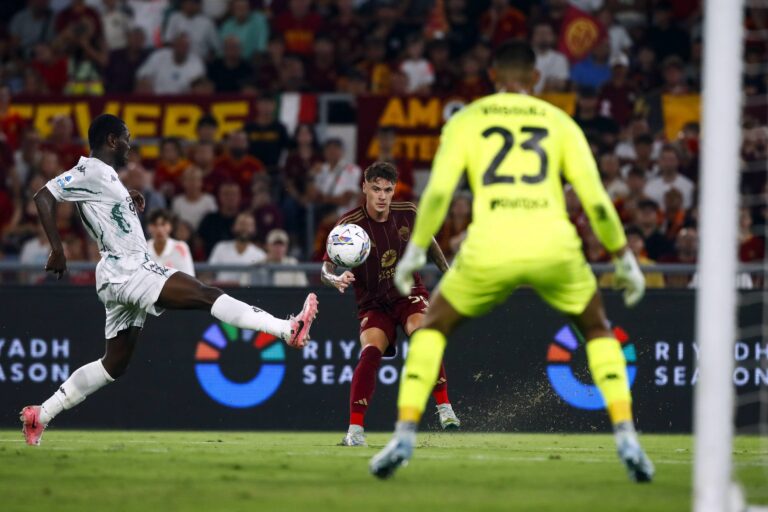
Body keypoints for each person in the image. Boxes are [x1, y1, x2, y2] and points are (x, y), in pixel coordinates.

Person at [370, 41, 653, 483]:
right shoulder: (559, 122)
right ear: (535, 78)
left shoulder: (466, 121)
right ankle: (626, 435)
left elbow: (440, 195)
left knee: (435, 327)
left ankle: (403, 435)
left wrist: (412, 252)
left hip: (491, 245)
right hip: (554, 245)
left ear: (493, 78)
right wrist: (624, 257)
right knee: (596, 328)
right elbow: (596, 199)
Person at [20, 114, 318, 446]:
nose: (131, 145)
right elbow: (43, 197)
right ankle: (286, 329)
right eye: (127, 138)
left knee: (114, 365)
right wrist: (57, 249)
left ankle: (41, 414)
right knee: (206, 294)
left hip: (116, 274)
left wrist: (124, 199)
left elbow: (98, 205)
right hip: (129, 268)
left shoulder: (105, 177)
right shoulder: (88, 170)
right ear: (111, 141)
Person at [321, 162, 460, 447]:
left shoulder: (407, 212)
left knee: (423, 336)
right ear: (364, 188)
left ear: (394, 190)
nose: (382, 196)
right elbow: (324, 269)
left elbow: (429, 243)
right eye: (376, 189)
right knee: (370, 353)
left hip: (407, 292)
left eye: (387, 189)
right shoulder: (347, 227)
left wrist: (448, 273)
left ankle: (444, 408)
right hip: (372, 303)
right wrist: (333, 280)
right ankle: (355, 431)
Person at [208, 211, 266, 286]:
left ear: (254, 229)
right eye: (241, 224)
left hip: (248, 294)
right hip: (222, 292)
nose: (244, 228)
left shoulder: (260, 255)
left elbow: (261, 282)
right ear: (233, 227)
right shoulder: (220, 247)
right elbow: (208, 273)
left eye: (248, 225)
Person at [147, 209, 195, 277]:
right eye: (155, 225)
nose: (159, 229)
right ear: (148, 227)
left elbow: (189, 277)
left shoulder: (181, 248)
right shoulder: (142, 249)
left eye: (163, 224)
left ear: (171, 226)